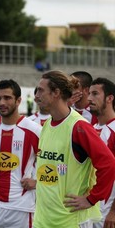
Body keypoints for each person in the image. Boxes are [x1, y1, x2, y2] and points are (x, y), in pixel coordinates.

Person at [33, 70, 115, 228]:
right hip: (43, 219)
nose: (36, 95)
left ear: (56, 93)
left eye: (41, 90)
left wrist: (91, 199)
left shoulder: (79, 127)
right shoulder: (47, 125)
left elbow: (109, 164)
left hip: (71, 221)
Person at [0, 79, 42, 228]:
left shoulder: (34, 130)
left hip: (22, 206)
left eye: (7, 98)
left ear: (18, 101)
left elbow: (50, 161)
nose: (1, 103)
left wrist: (37, 181)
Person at [88, 77, 115, 228]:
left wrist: (114, 211)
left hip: (106, 214)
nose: (89, 98)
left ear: (110, 98)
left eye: (95, 94)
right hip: (86, 209)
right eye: (89, 94)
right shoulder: (89, 128)